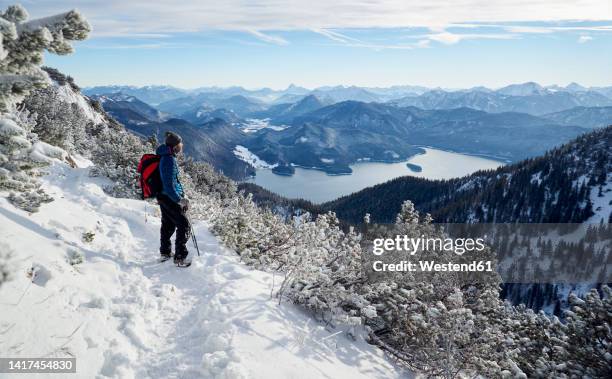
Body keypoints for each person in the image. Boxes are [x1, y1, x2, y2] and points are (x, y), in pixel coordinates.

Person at [156, 131, 191, 266]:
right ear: (175, 145)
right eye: (180, 143)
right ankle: (180, 257)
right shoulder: (169, 160)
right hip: (169, 197)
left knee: (168, 224)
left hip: (164, 196)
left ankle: (165, 252)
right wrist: (179, 199)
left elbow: (172, 182)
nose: (182, 145)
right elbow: (169, 185)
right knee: (184, 225)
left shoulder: (166, 156)